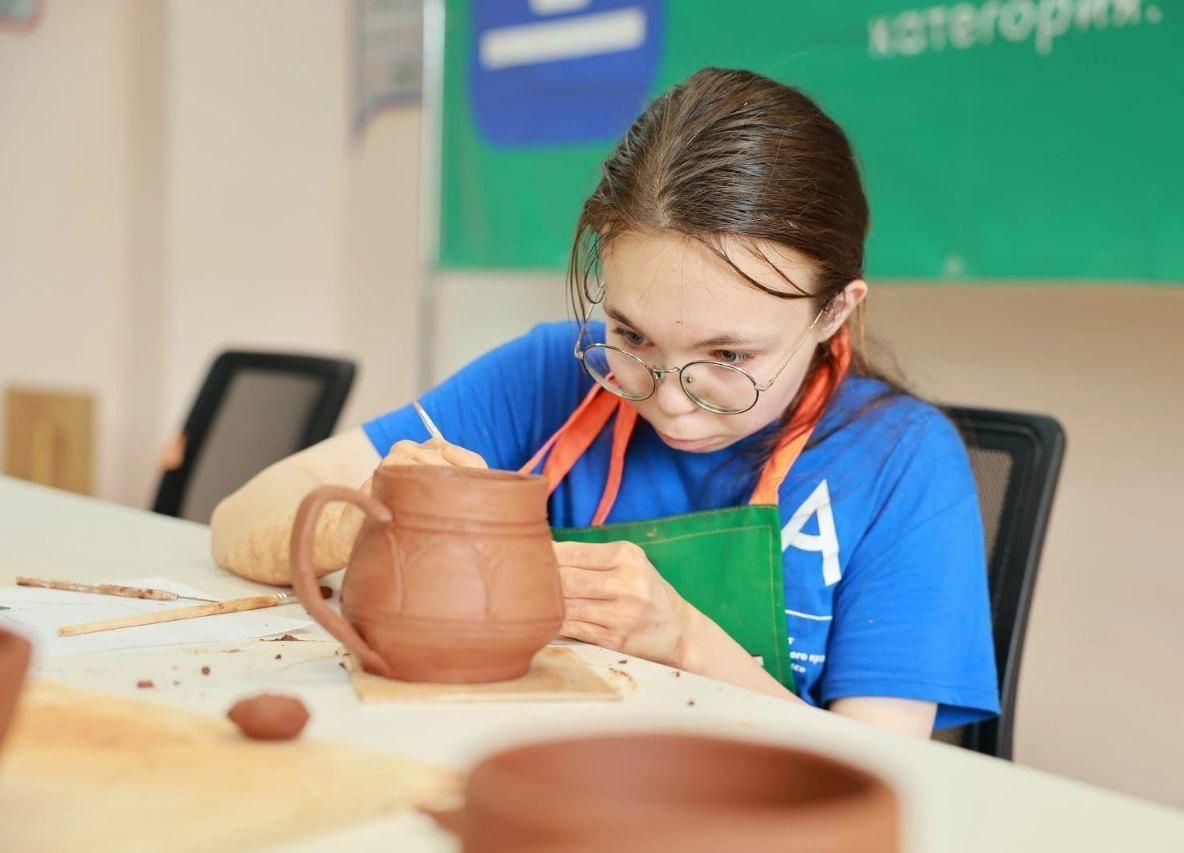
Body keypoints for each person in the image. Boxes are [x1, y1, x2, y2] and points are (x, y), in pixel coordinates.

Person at [211, 68, 998, 738]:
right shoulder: (552, 374)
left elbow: (884, 776)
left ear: (834, 313)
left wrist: (687, 642)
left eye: (727, 357)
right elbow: (242, 518)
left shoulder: (903, 463)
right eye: (632, 335)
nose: (669, 400)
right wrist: (380, 513)